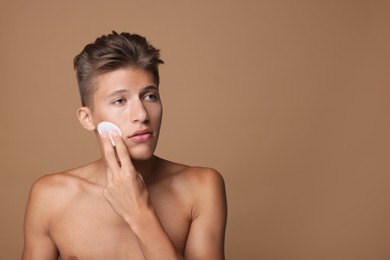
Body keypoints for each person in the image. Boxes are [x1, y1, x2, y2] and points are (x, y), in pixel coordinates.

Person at [22, 31, 227, 260]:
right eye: (120, 101)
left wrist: (139, 212)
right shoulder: (51, 196)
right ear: (87, 118)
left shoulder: (201, 188)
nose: (141, 114)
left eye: (150, 96)